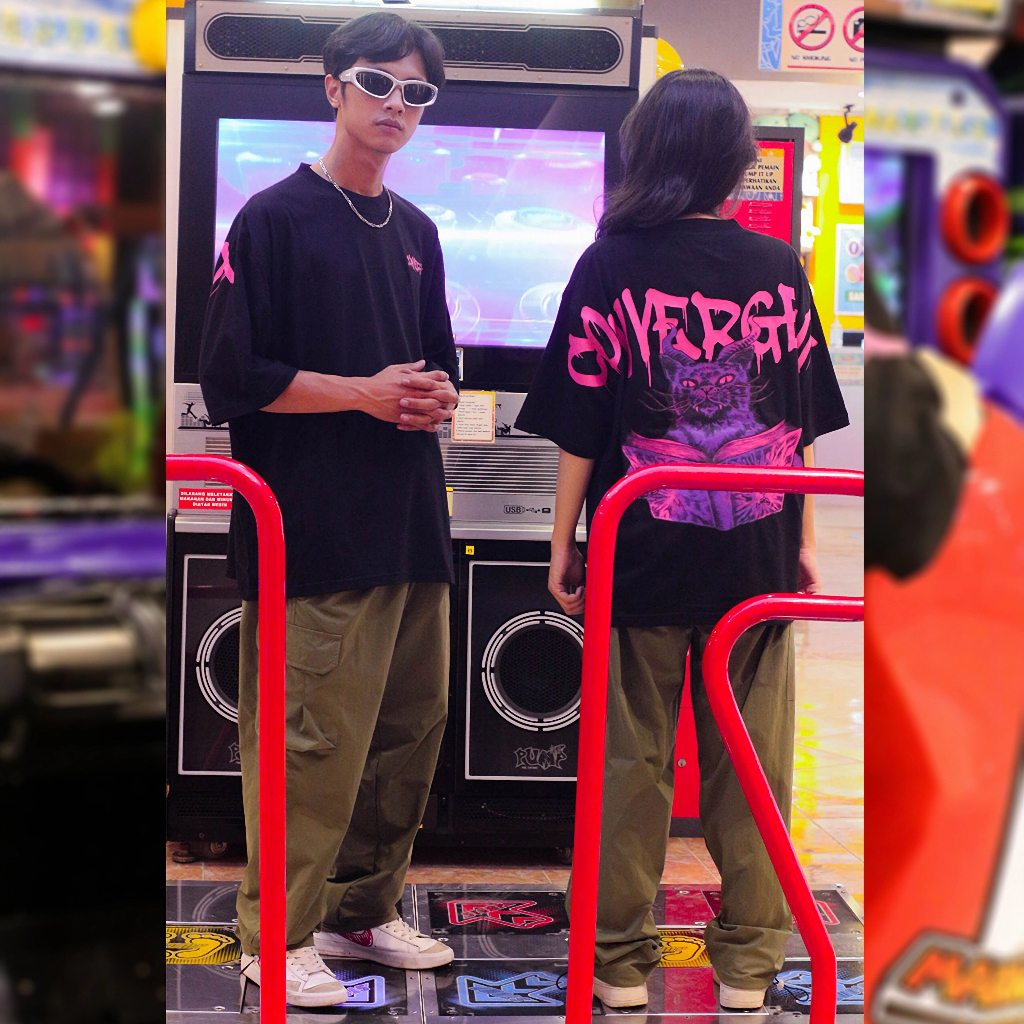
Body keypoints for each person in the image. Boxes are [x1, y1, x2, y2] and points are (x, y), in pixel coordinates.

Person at [514, 69, 849, 1012]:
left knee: (630, 766)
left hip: (640, 550)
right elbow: (797, 420)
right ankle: (748, 966)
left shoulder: (608, 264)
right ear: (737, 161)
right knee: (755, 768)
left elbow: (581, 425)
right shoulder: (776, 266)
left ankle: (618, 965)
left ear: (646, 152)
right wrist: (806, 535)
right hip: (756, 552)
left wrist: (563, 541)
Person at [198, 12, 460, 1008]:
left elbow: (436, 366)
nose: (396, 105)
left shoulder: (419, 232)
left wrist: (432, 396)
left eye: (416, 92)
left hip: (411, 526)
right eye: (378, 83)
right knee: (309, 746)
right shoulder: (270, 220)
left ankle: (362, 908)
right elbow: (233, 376)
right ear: (333, 87)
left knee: (406, 737)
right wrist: (362, 393)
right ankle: (276, 934)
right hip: (310, 531)